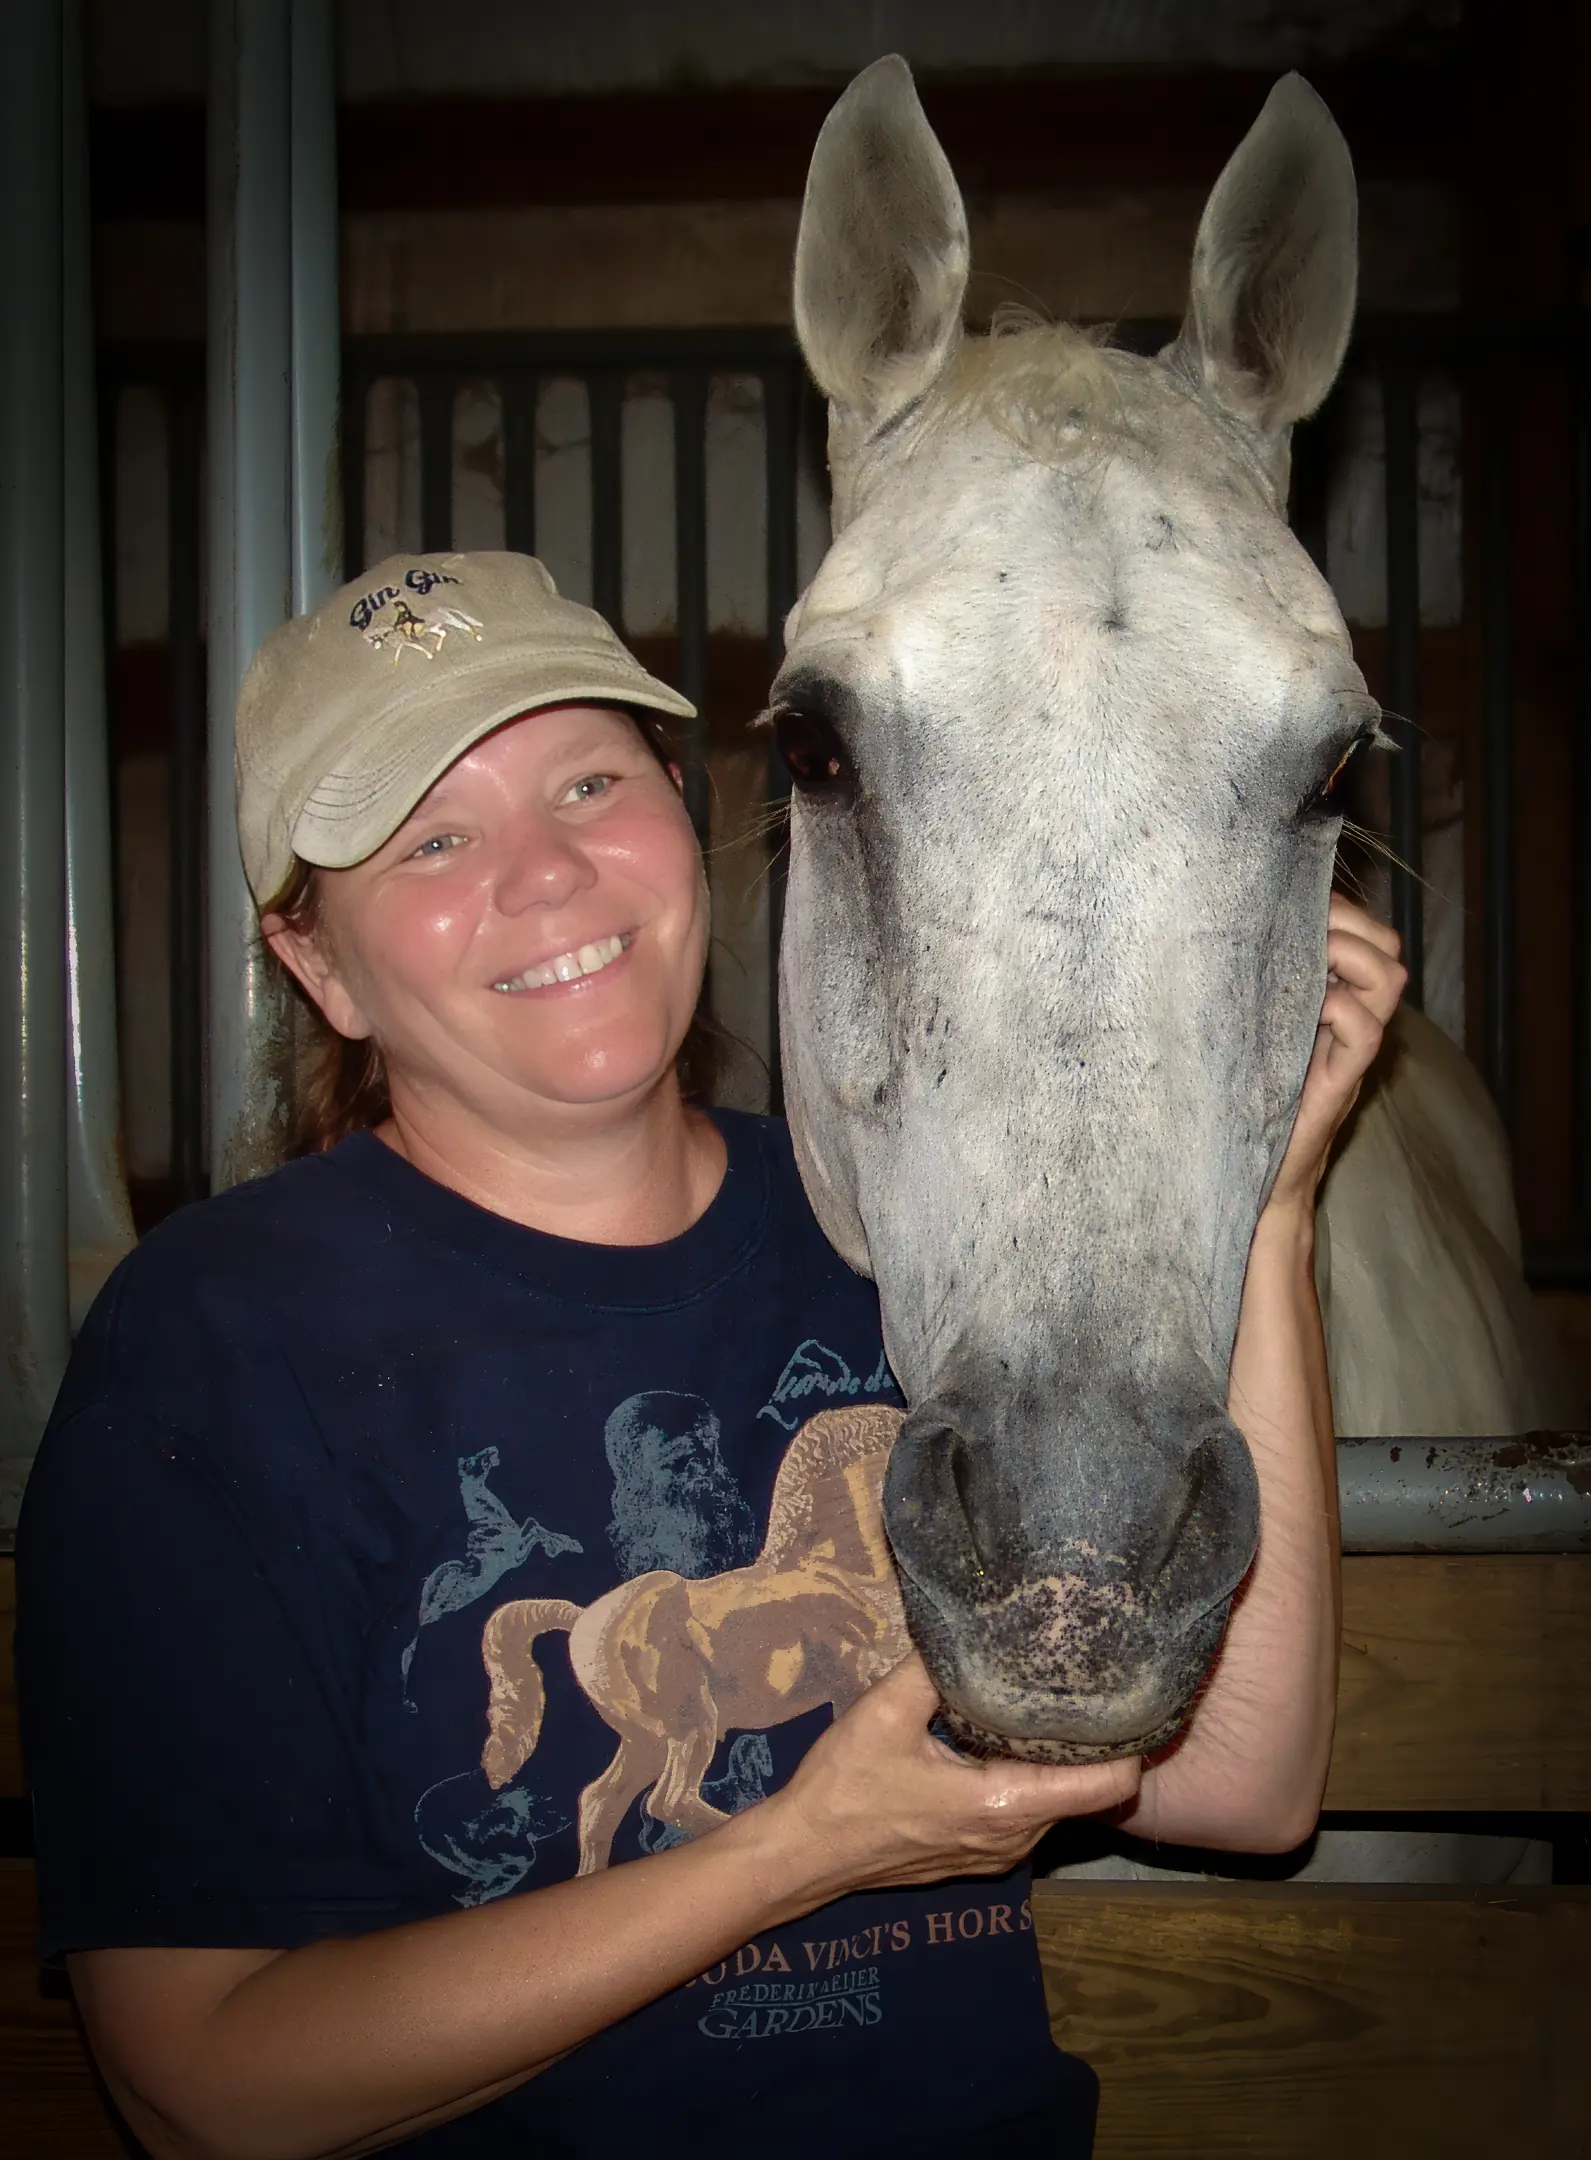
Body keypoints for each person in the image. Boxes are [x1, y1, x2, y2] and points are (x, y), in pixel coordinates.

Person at [16, 551, 1404, 2160]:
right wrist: (796, 1851)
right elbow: (205, 2087)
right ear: (318, 964)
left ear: (682, 821)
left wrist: (1275, 1199)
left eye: (588, 781)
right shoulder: (214, 1349)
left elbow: (1237, 1785)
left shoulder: (895, 1243)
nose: (544, 875)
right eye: (434, 842)